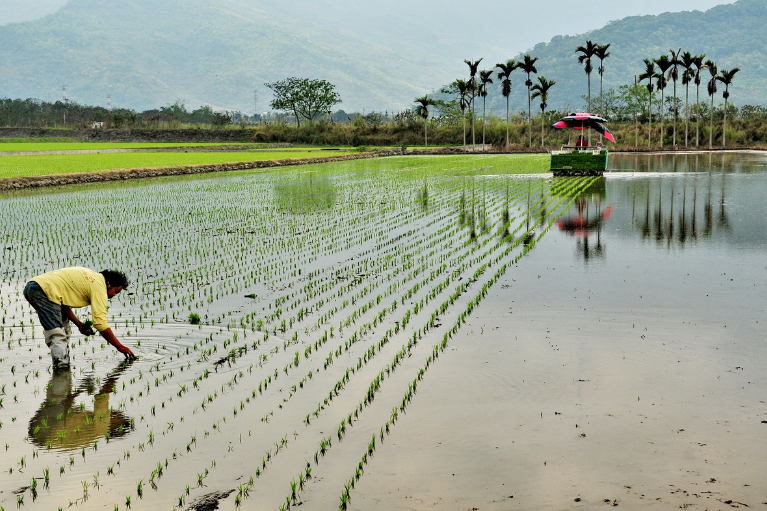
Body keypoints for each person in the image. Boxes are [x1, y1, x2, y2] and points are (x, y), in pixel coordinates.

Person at [23, 267, 136, 369]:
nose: (114, 295)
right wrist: (120, 346)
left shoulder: (93, 278)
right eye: (116, 291)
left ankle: (64, 373)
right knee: (56, 333)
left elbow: (63, 305)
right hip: (43, 290)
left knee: (64, 328)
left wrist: (79, 324)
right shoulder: (99, 288)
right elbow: (100, 323)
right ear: (109, 283)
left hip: (33, 286)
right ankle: (62, 369)